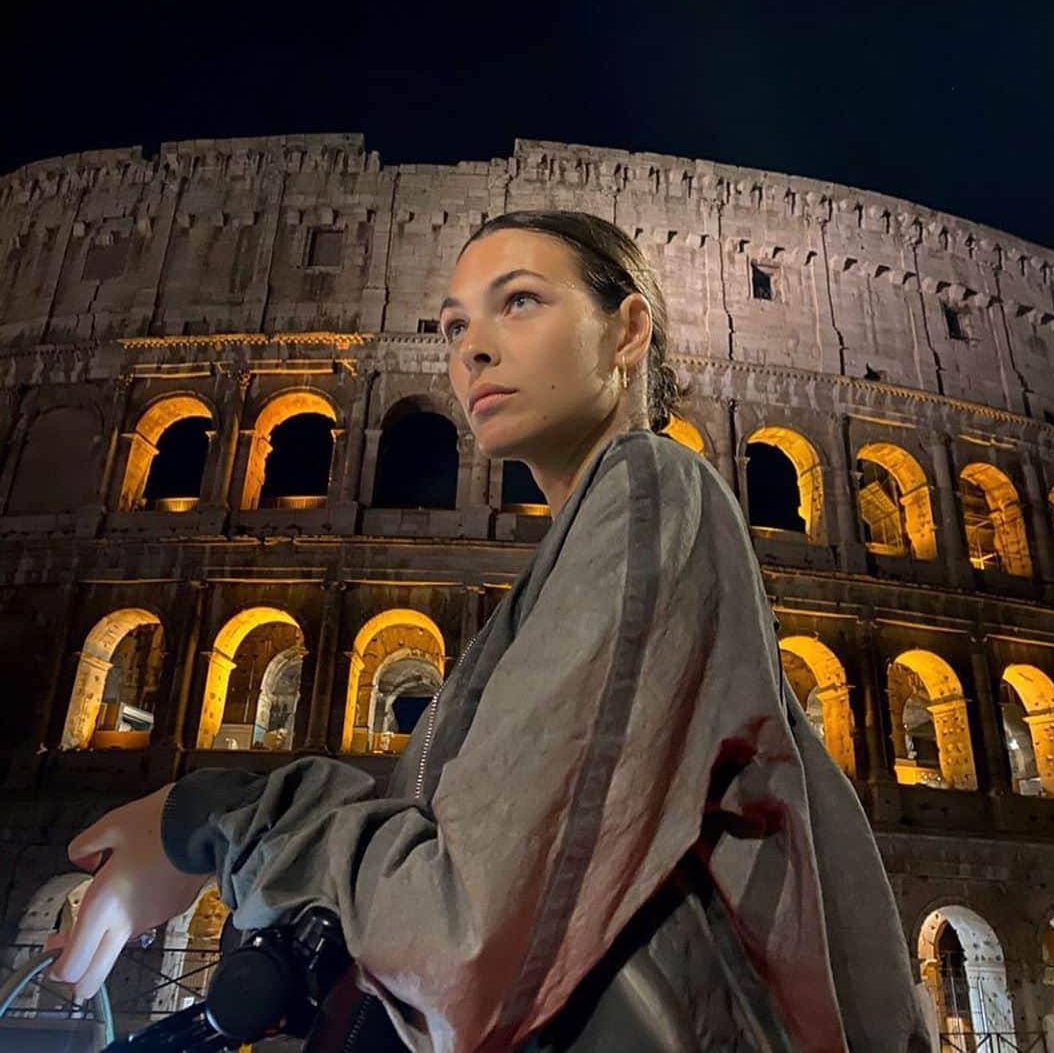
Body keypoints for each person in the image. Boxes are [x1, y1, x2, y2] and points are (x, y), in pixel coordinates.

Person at [44, 210, 932, 1052]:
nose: (471, 347)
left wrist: (211, 818)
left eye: (520, 301)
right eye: (451, 323)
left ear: (628, 331)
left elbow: (461, 931)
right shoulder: (574, 565)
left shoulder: (654, 488)